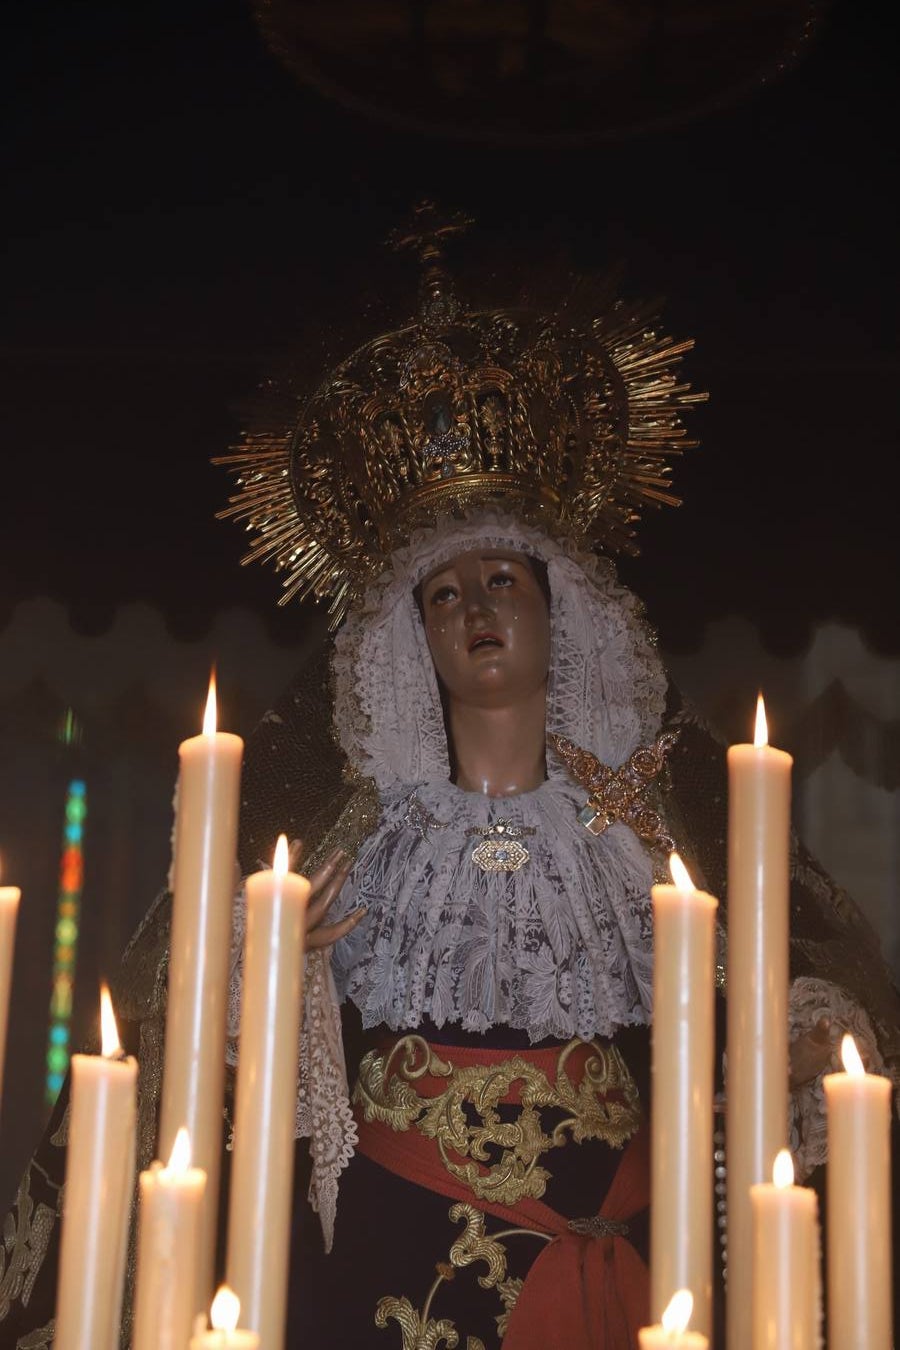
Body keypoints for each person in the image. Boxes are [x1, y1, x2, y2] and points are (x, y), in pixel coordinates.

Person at [1, 205, 898, 1349]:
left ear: (557, 606)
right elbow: (200, 1043)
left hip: (619, 1247)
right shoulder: (354, 837)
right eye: (443, 593)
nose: (474, 610)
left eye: (501, 583)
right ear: (405, 639)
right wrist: (270, 962)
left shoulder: (643, 825)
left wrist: (801, 1032)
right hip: (387, 1247)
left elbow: (783, 989)